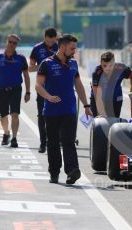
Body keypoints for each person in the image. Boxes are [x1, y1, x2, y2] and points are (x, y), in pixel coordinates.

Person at [35, 34, 92, 184]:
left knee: (69, 141)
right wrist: (48, 96)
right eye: (72, 48)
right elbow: (38, 85)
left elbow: (78, 85)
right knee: (52, 143)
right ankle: (54, 172)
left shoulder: (73, 64)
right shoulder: (46, 64)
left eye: (75, 48)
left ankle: (72, 171)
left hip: (69, 110)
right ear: (62, 46)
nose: (74, 51)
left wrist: (86, 105)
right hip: (51, 111)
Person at [0, 34, 30, 148]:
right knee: (3, 115)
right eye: (10, 42)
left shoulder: (21, 58)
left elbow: (26, 76)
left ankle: (14, 138)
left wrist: (28, 92)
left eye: (15, 43)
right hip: (2, 90)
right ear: (6, 42)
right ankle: (6, 133)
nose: (12, 45)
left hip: (16, 90)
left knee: (15, 114)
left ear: (17, 45)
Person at [29, 27, 58, 153]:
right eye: (48, 41)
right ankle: (43, 143)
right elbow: (30, 68)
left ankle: (56, 141)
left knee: (59, 115)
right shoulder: (37, 48)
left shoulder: (60, 46)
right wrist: (44, 66)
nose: (51, 44)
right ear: (44, 37)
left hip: (58, 87)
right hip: (42, 87)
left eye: (53, 41)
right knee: (42, 115)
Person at [92, 51, 132, 118]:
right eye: (104, 65)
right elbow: (97, 95)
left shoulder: (121, 68)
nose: (107, 68)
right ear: (100, 63)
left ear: (114, 63)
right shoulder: (97, 72)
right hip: (99, 98)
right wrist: (101, 112)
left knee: (114, 121)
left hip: (116, 98)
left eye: (110, 65)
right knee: (98, 122)